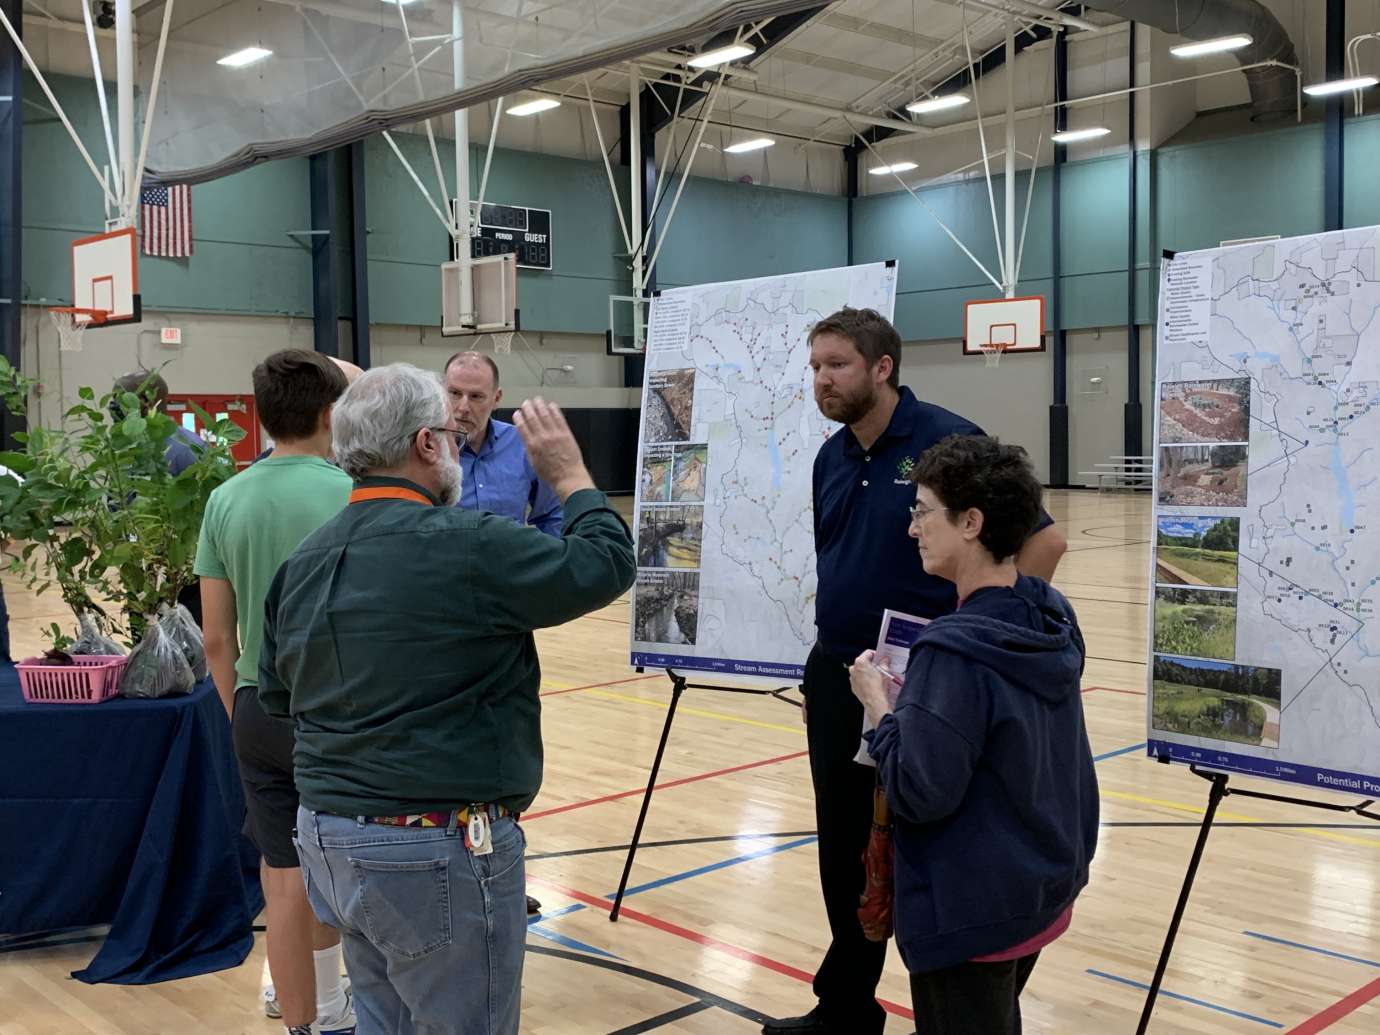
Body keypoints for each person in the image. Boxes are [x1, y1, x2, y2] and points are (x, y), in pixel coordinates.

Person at [260, 365, 635, 1035]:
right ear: (428, 445)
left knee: (384, 1018)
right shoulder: (468, 544)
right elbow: (604, 564)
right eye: (449, 433)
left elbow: (281, 695)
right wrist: (572, 474)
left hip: (329, 840)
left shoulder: (303, 562)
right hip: (431, 847)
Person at [763, 308, 1068, 1035]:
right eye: (814, 366)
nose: (821, 379)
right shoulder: (830, 457)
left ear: (882, 368)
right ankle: (845, 1007)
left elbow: (1044, 543)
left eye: (835, 364)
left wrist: (970, 643)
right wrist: (825, 674)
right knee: (843, 847)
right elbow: (835, 564)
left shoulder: (948, 441)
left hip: (928, 689)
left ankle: (963, 1007)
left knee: (930, 841)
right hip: (841, 675)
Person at [849, 434, 1099, 1033]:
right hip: (1041, 883)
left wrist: (881, 707)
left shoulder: (953, 653)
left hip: (971, 909)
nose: (913, 529)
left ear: (970, 522)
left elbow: (918, 789)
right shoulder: (1048, 613)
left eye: (922, 511)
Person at [194, 350, 356, 1035]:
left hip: (260, 704)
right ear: (330, 414)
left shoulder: (226, 499)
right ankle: (336, 998)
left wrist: (241, 712)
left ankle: (304, 1016)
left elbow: (215, 641)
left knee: (282, 871)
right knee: (341, 863)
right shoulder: (355, 492)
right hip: (342, 709)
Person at [444, 351, 563, 535]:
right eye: (454, 393)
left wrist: (553, 560)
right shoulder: (424, 448)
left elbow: (553, 514)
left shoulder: (523, 444)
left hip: (511, 561)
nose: (463, 407)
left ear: (496, 398)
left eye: (476, 396)